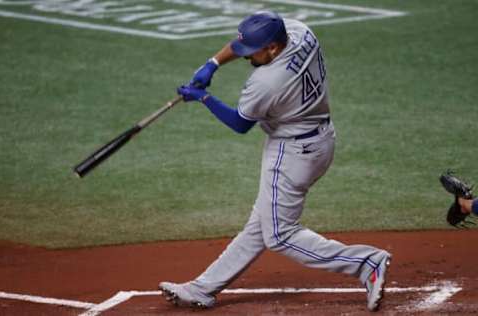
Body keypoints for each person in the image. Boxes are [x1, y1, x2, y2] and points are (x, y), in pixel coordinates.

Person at [160, 11, 391, 312]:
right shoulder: (299, 31)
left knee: (279, 234)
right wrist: (213, 63)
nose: (245, 57)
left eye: (251, 52)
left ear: (271, 48)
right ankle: (201, 289)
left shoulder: (267, 81)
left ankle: (365, 262)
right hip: (321, 140)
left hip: (292, 152)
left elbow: (241, 124)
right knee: (262, 224)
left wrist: (204, 98)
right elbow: (242, 42)